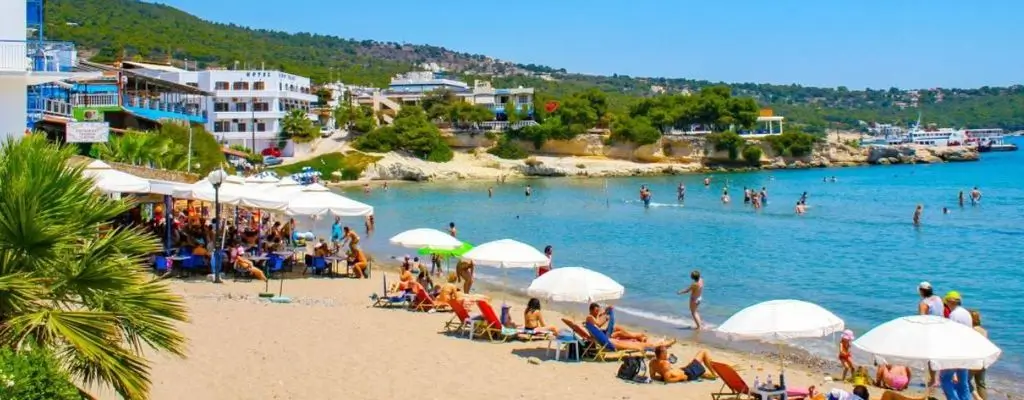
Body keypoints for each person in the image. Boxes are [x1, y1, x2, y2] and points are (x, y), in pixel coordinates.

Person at [940, 290, 972, 400]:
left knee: (945, 379)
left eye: (946, 303)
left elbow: (950, 334)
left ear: (950, 302)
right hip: (966, 350)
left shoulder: (953, 315)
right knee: (963, 381)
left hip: (955, 351)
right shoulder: (966, 313)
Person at [649, 346, 717, 383]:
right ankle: (714, 374)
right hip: (689, 374)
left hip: (684, 370)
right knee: (703, 352)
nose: (667, 354)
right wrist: (680, 377)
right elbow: (668, 380)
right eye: (665, 352)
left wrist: (662, 377)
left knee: (691, 364)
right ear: (662, 354)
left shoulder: (652, 362)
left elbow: (652, 376)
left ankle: (702, 374)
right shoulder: (665, 364)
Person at [969, 310, 987, 400]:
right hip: (984, 359)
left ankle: (977, 398)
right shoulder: (984, 330)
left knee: (964, 381)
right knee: (981, 384)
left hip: (974, 360)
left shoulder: (971, 330)